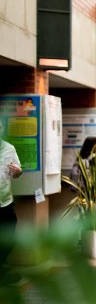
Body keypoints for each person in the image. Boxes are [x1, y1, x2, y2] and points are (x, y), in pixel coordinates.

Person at [0, 117, 23, 283]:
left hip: (5, 201)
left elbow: (17, 172)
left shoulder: (9, 148)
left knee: (10, 236)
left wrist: (18, 171)